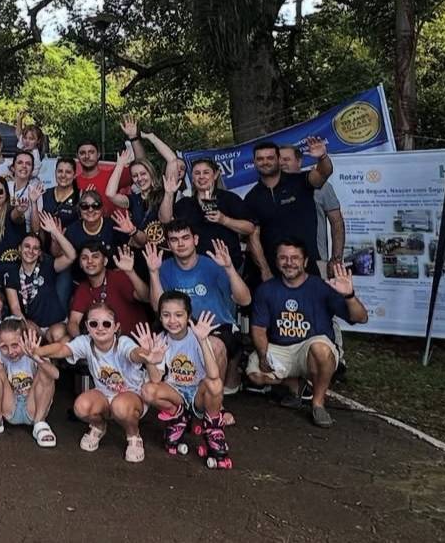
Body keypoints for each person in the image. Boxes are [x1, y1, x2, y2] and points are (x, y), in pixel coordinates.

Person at [247, 239, 368, 428]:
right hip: (282, 349)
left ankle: (318, 403)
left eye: (295, 258)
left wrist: (349, 295)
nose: (289, 263)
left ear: (305, 262)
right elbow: (258, 328)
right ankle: (295, 385)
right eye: (283, 258)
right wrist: (263, 356)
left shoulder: (321, 287)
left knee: (319, 349)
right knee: (255, 374)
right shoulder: (267, 289)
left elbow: (361, 318)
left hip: (312, 347)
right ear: (277, 261)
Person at [144, 221, 251, 394]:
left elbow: (245, 300)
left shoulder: (213, 264)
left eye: (185, 238)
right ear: (168, 244)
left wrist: (230, 268)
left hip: (216, 327)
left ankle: (213, 403)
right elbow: (158, 308)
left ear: (195, 240)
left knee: (214, 346)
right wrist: (154, 273)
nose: (180, 243)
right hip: (179, 328)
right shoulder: (163, 267)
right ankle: (181, 398)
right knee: (153, 343)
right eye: (174, 239)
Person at [37, 303, 149, 462]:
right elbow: (62, 349)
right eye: (94, 323)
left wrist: (146, 354)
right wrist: (37, 351)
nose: (100, 328)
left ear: (116, 327)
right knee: (81, 407)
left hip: (132, 397)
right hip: (105, 396)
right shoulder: (85, 342)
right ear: (87, 327)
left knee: (120, 406)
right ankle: (99, 426)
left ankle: (134, 436)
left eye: (106, 324)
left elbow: (134, 354)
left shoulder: (123, 342)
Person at [139, 293, 230, 464]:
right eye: (166, 315)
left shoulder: (197, 337)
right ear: (160, 317)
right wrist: (150, 360)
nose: (172, 320)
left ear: (188, 316)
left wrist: (203, 340)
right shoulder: (161, 339)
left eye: (178, 315)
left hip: (198, 392)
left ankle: (213, 428)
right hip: (177, 391)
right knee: (147, 390)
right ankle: (178, 417)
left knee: (215, 384)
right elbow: (156, 379)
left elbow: (213, 375)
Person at [244, 136, 334, 279]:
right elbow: (253, 238)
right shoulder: (251, 198)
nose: (265, 162)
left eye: (270, 158)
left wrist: (322, 157)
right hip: (275, 272)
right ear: (254, 162)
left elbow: (324, 173)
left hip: (308, 267)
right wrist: (265, 270)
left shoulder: (300, 181)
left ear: (279, 160)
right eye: (260, 159)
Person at [0, 318, 59, 447]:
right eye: (4, 347)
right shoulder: (0, 353)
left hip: (34, 408)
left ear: (24, 340)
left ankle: (40, 424)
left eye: (15, 345)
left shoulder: (35, 350)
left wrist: (37, 359)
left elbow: (55, 375)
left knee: (46, 370)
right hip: (10, 408)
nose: (11, 352)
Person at [161, 158, 254, 270]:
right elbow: (165, 219)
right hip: (198, 270)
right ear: (192, 178)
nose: (201, 177)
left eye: (206, 172)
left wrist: (224, 220)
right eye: (197, 173)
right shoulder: (185, 203)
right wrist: (168, 194)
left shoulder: (229, 198)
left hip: (230, 267)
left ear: (215, 175)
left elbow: (249, 228)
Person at [3, 212, 76, 342]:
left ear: (39, 253)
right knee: (28, 332)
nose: (31, 251)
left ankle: (51, 354)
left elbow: (72, 256)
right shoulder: (11, 273)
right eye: (27, 246)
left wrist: (55, 232)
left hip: (56, 323)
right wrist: (27, 328)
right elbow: (15, 309)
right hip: (34, 327)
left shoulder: (47, 265)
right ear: (19, 249)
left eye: (35, 248)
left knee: (57, 334)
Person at [279, 146, 345, 278]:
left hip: (317, 261)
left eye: (286, 159)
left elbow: (337, 222)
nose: (282, 163)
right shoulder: (270, 191)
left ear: (299, 161)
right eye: (279, 160)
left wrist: (336, 259)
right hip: (283, 263)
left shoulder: (321, 186)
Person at [67, 242, 150, 339]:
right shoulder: (83, 288)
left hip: (136, 340)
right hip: (103, 344)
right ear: (80, 264)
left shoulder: (119, 277)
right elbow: (73, 322)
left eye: (95, 257)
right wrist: (84, 342)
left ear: (105, 261)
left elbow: (146, 297)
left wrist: (130, 272)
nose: (90, 261)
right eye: (84, 258)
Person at [62, 191, 136, 274]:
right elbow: (59, 255)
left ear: (102, 208)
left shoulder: (114, 227)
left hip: (113, 275)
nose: (90, 210)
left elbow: (136, 245)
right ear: (79, 209)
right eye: (85, 206)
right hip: (81, 277)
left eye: (96, 206)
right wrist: (56, 238)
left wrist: (133, 231)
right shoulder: (72, 230)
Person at [106, 153, 167, 248]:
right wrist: (120, 165)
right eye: (135, 176)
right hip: (138, 251)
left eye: (143, 174)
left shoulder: (164, 195)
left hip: (162, 251)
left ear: (151, 173)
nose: (139, 179)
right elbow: (110, 194)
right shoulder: (133, 199)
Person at [41, 157, 80, 302]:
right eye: (60, 171)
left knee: (61, 299)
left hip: (67, 258)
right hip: (46, 257)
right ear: (55, 173)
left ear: (74, 174)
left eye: (68, 172)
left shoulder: (80, 196)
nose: (63, 175)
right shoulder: (45, 194)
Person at [73, 139, 115, 215]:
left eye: (91, 152)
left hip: (113, 222)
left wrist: (133, 138)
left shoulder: (113, 176)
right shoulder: (73, 182)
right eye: (82, 153)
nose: (87, 156)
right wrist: (83, 200)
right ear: (77, 156)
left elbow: (139, 165)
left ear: (98, 154)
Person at [10, 151, 44, 233]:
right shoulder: (5, 186)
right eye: (20, 162)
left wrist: (33, 202)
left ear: (32, 170)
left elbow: (36, 229)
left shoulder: (35, 190)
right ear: (13, 168)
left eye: (28, 164)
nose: (24, 166)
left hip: (26, 235)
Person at [14, 109, 45, 175]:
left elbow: (35, 173)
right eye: (25, 138)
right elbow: (18, 134)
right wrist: (19, 120)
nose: (27, 141)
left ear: (38, 141)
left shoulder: (35, 155)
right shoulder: (24, 144)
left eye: (31, 139)